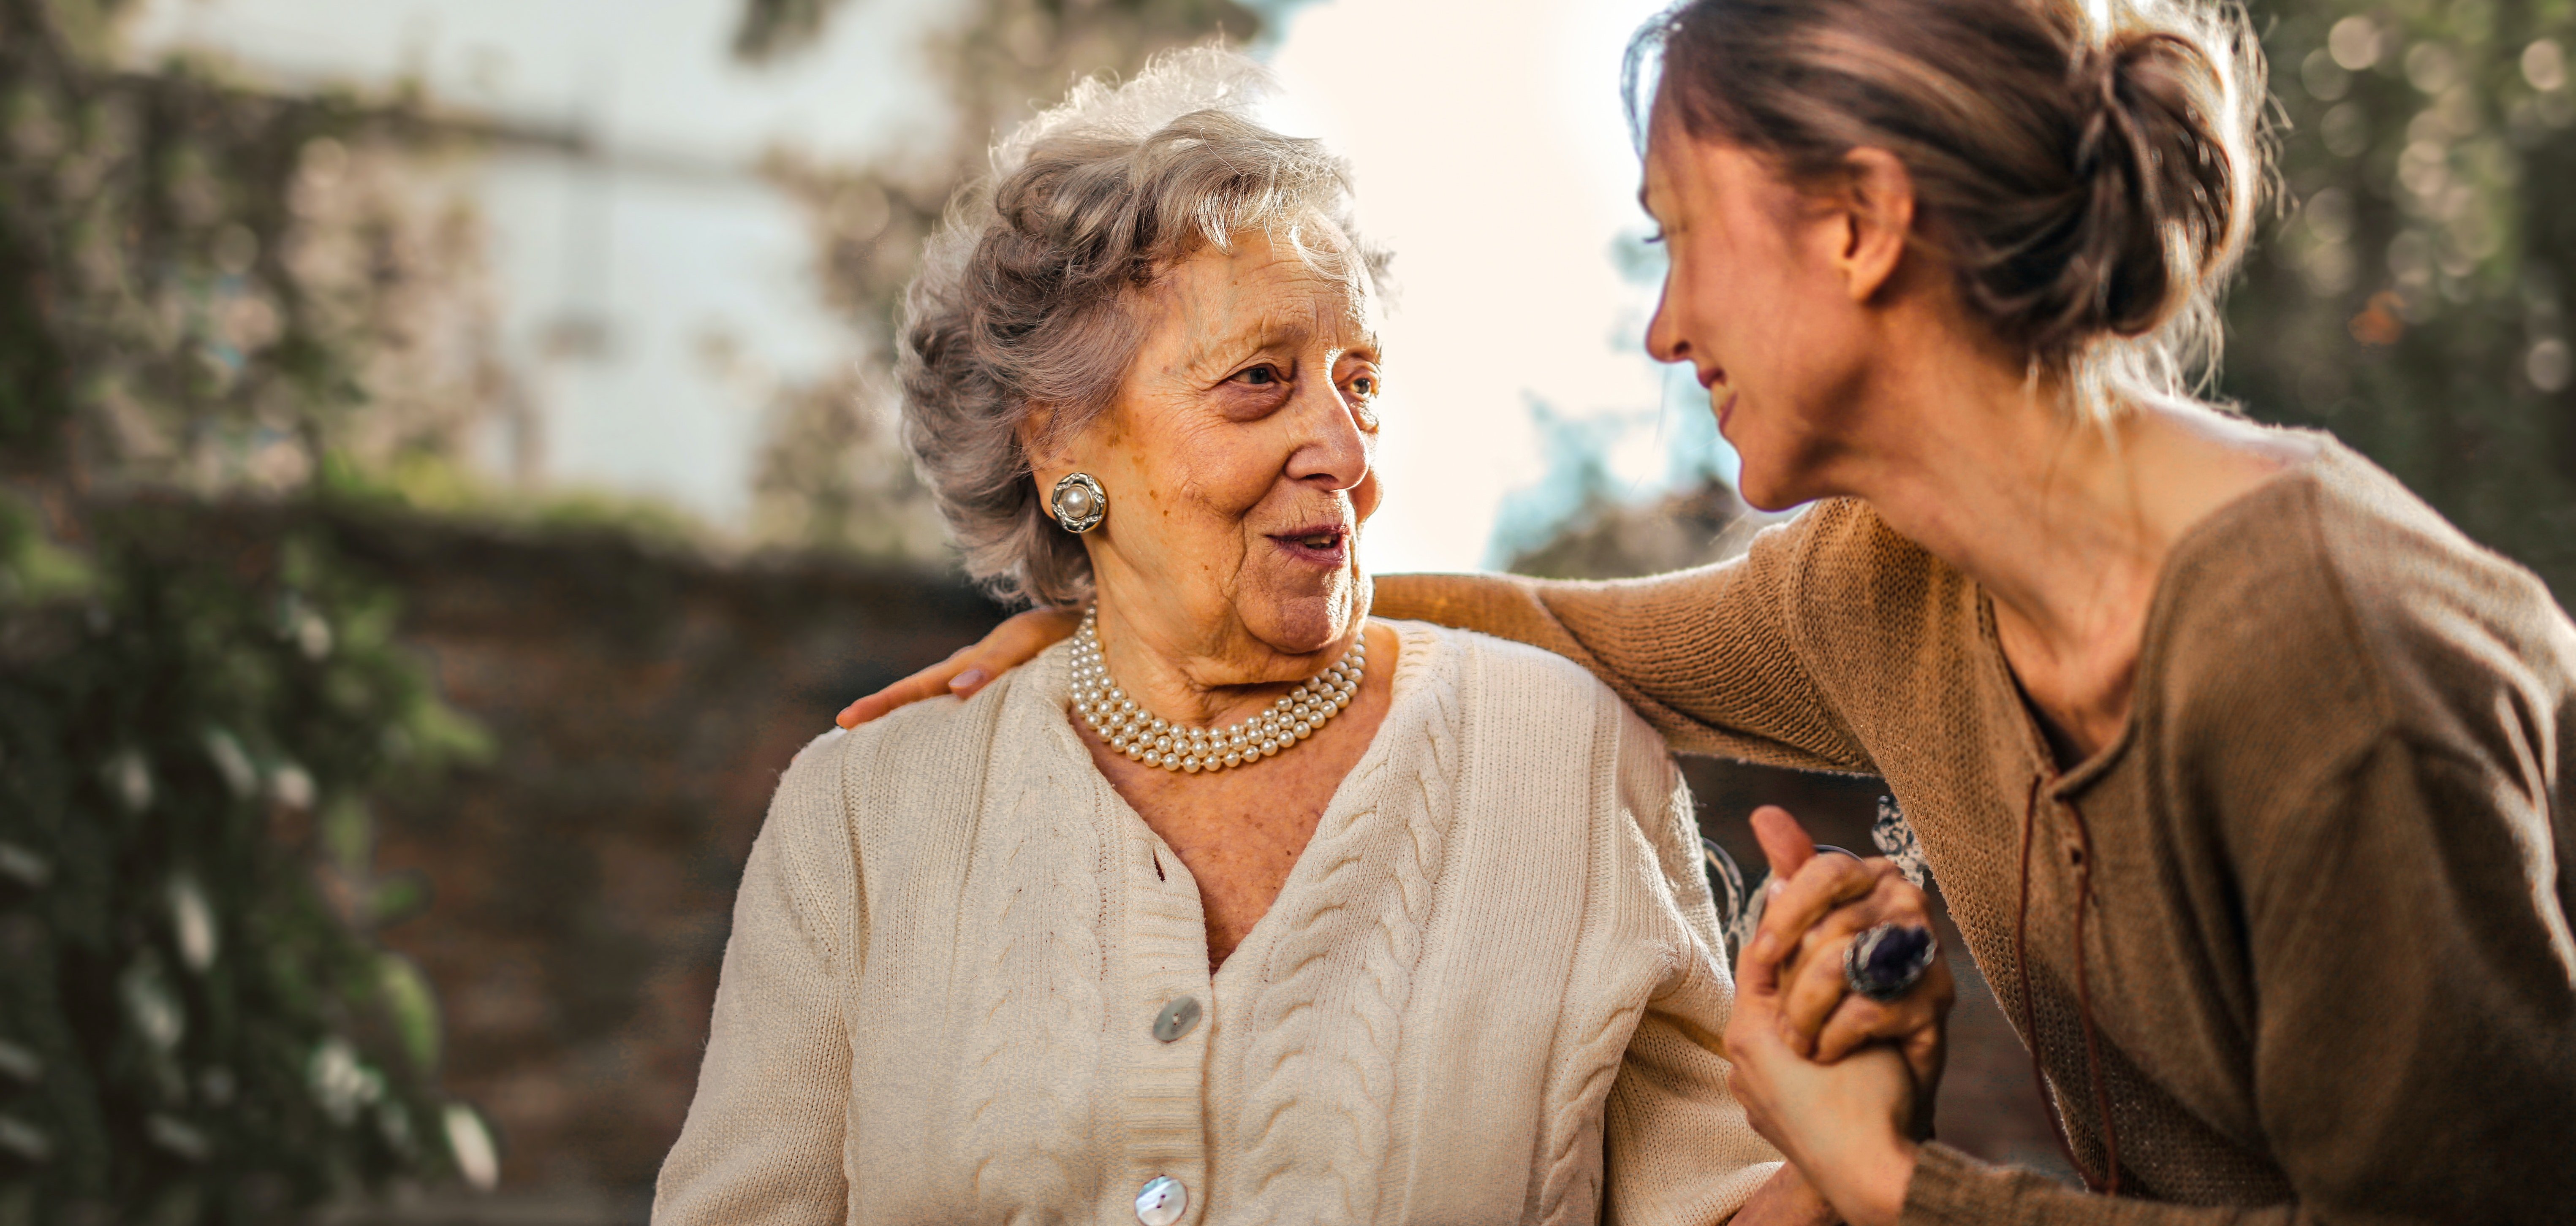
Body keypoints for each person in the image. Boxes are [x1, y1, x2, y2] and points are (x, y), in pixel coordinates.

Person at [839, 3, 2576, 1224]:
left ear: (1860, 224)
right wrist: (1140, 620)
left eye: (1680, 238)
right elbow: (1561, 633)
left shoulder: (2321, 655)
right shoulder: (1890, 587)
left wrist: (1893, 1185)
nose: (1664, 329)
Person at [654, 49, 1813, 1226]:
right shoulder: (863, 814)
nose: (1347, 453)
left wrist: (1840, 1142)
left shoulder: (1561, 757)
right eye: (1260, 380)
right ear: (1058, 446)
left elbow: (1713, 1201)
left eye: (1358, 384)